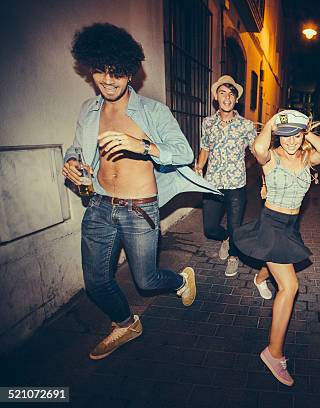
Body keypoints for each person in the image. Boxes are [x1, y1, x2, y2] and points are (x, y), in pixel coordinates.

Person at [62, 23, 218, 360]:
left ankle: (179, 282)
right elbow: (77, 148)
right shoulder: (88, 111)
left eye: (116, 72)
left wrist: (142, 144)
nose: (107, 80)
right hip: (100, 206)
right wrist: (73, 162)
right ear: (90, 68)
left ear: (130, 73)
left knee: (146, 281)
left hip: (140, 208)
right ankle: (125, 323)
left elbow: (184, 152)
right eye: (100, 71)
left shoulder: (152, 112)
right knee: (97, 283)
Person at [233, 110, 320, 386]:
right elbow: (258, 147)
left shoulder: (307, 158)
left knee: (274, 262)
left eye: (296, 135)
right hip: (271, 224)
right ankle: (273, 353)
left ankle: (259, 276)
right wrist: (272, 124)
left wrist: (305, 131)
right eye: (285, 135)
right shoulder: (271, 157)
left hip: (290, 225)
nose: (290, 141)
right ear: (278, 135)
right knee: (290, 287)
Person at [194, 75, 256, 277]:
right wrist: (199, 167)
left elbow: (258, 151)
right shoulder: (208, 123)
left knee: (235, 226)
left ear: (236, 99)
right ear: (216, 97)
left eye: (231, 94)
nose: (227, 97)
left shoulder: (247, 125)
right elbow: (205, 148)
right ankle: (226, 239)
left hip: (236, 184)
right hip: (212, 183)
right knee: (210, 228)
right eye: (223, 93)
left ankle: (233, 256)